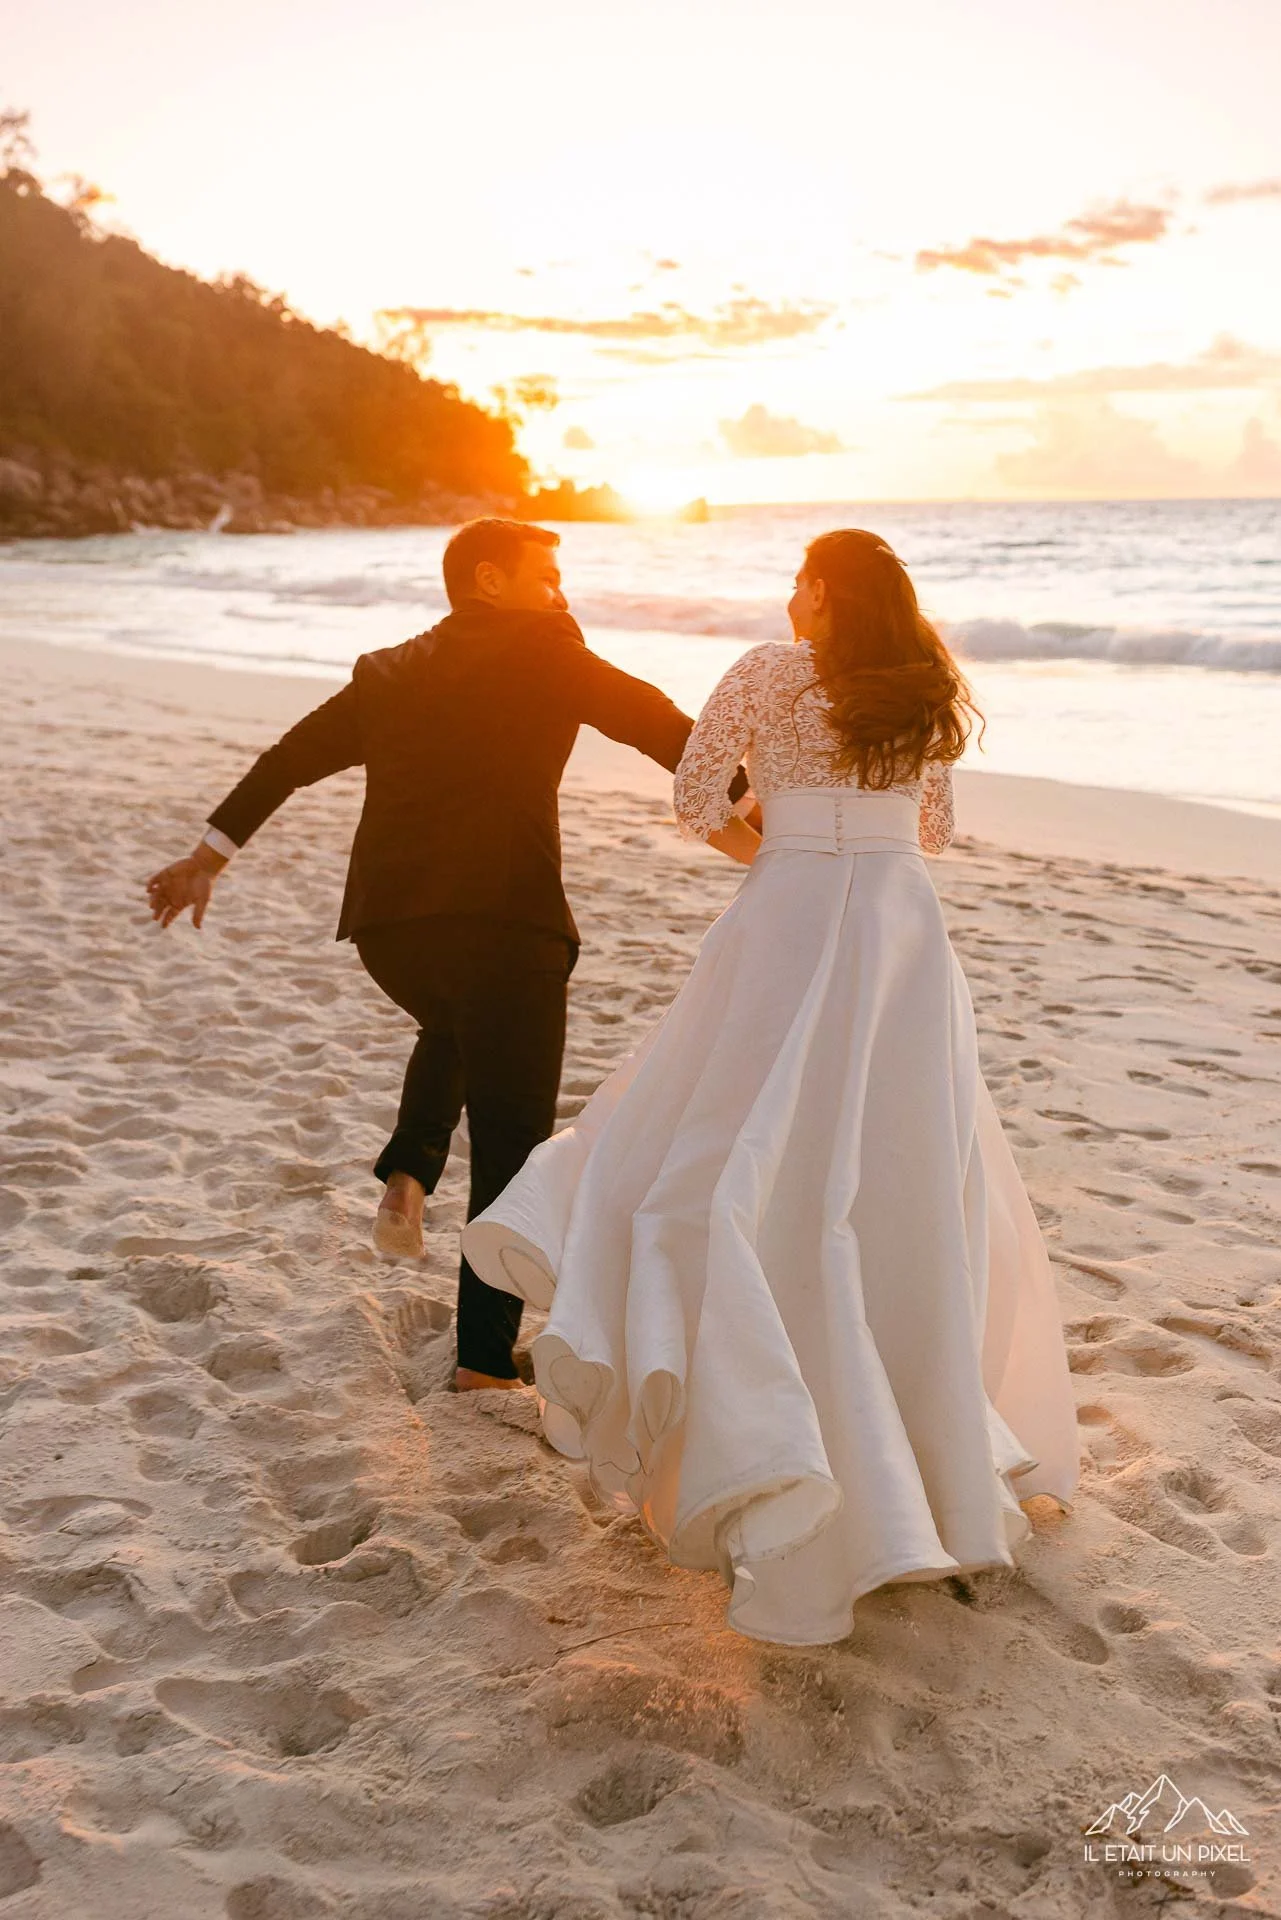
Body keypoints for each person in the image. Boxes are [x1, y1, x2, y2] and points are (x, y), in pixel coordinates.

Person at [462, 527, 1079, 1646]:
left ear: (828, 596)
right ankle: (925, 1460)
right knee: (898, 1176)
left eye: (801, 580)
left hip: (790, 923)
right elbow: (932, 830)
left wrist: (785, 856)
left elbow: (698, 801)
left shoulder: (760, 670)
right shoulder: (927, 685)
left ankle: (766, 1439)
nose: (789, 597)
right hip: (902, 935)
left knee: (737, 1154)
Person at [143, 518, 750, 1393]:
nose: (559, 593)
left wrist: (207, 858)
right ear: (490, 580)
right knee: (511, 1142)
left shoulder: (385, 671)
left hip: (391, 929)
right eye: (547, 577)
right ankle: (480, 1361)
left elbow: (288, 762)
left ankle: (408, 1171)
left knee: (452, 1028)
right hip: (506, 923)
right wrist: (757, 800)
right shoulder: (546, 652)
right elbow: (653, 722)